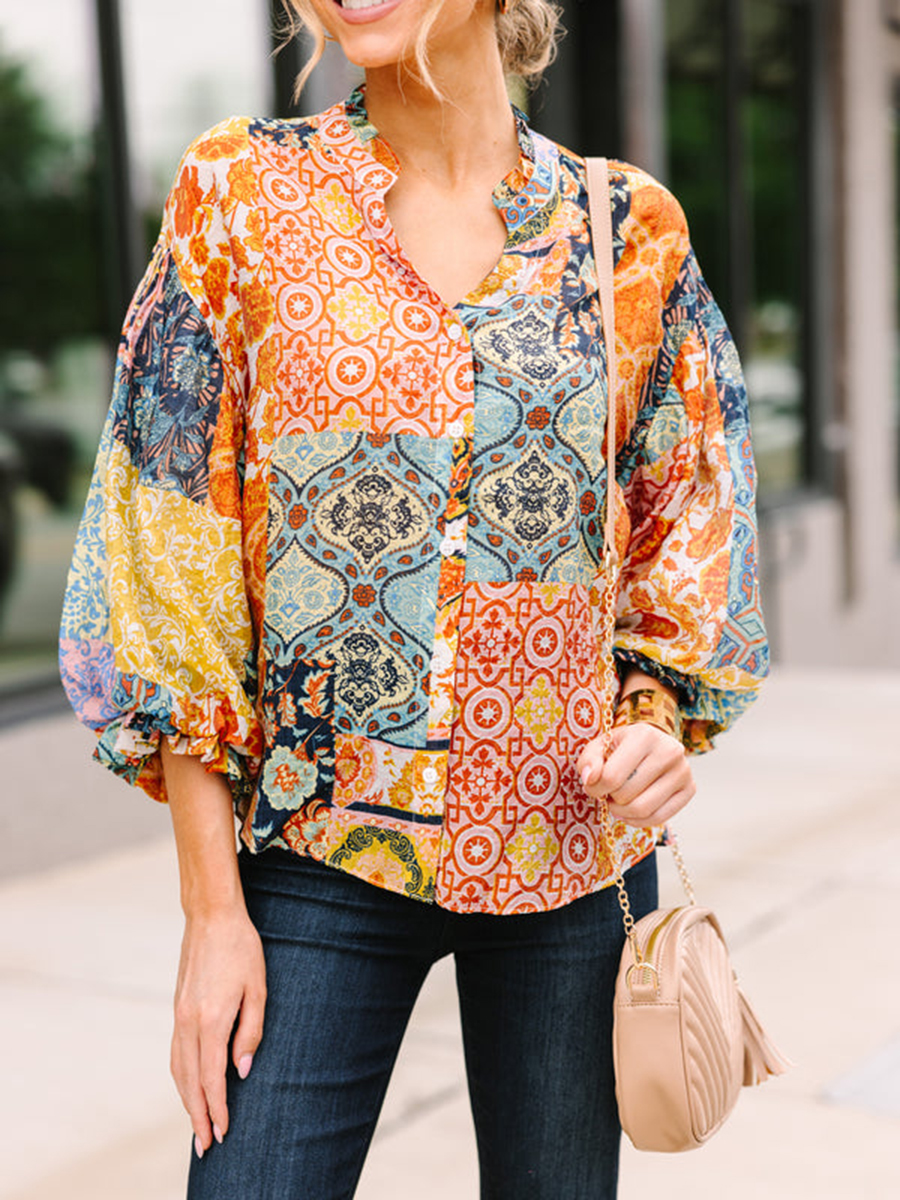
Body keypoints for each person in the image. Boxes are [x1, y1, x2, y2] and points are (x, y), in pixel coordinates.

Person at [59, 0, 768, 1196]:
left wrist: (653, 717)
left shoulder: (626, 227)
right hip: (318, 848)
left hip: (571, 858)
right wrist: (211, 915)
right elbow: (166, 555)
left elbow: (684, 518)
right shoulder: (242, 197)